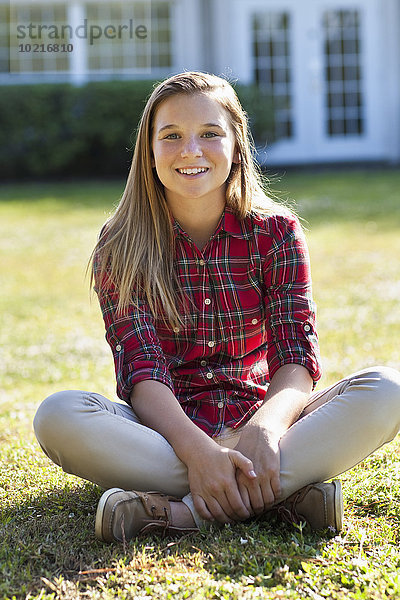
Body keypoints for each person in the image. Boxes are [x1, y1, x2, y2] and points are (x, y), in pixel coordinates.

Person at [34, 71, 400, 544]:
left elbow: (295, 357)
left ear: (236, 146)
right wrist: (198, 453)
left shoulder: (277, 233)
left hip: (264, 423)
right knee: (58, 415)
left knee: (389, 389)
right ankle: (281, 496)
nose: (191, 150)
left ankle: (180, 513)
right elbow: (142, 371)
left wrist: (266, 429)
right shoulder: (121, 244)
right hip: (165, 434)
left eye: (210, 134)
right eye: (172, 136)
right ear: (149, 153)